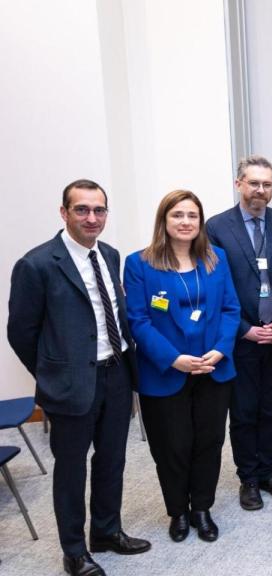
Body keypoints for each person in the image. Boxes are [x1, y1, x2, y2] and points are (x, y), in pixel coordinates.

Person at [8, 180, 151, 576]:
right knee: (71, 470)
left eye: (99, 210)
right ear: (64, 212)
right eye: (82, 210)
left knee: (112, 460)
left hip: (117, 374)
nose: (92, 218)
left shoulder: (110, 254)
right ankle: (74, 551)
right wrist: (53, 373)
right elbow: (20, 332)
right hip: (70, 386)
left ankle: (106, 532)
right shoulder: (36, 264)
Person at [124, 190, 241, 544]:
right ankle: (177, 511)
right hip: (165, 371)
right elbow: (138, 320)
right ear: (164, 220)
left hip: (212, 368)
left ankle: (202, 508)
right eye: (178, 215)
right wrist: (173, 358)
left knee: (209, 441)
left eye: (192, 215)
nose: (186, 222)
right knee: (171, 446)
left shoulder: (216, 258)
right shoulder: (139, 263)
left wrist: (220, 350)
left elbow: (230, 310)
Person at [207, 155, 272, 512]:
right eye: (253, 183)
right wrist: (244, 329)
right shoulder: (217, 227)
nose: (259, 190)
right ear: (239, 184)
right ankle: (248, 477)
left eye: (266, 184)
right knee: (244, 411)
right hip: (241, 337)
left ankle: (268, 472)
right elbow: (214, 287)